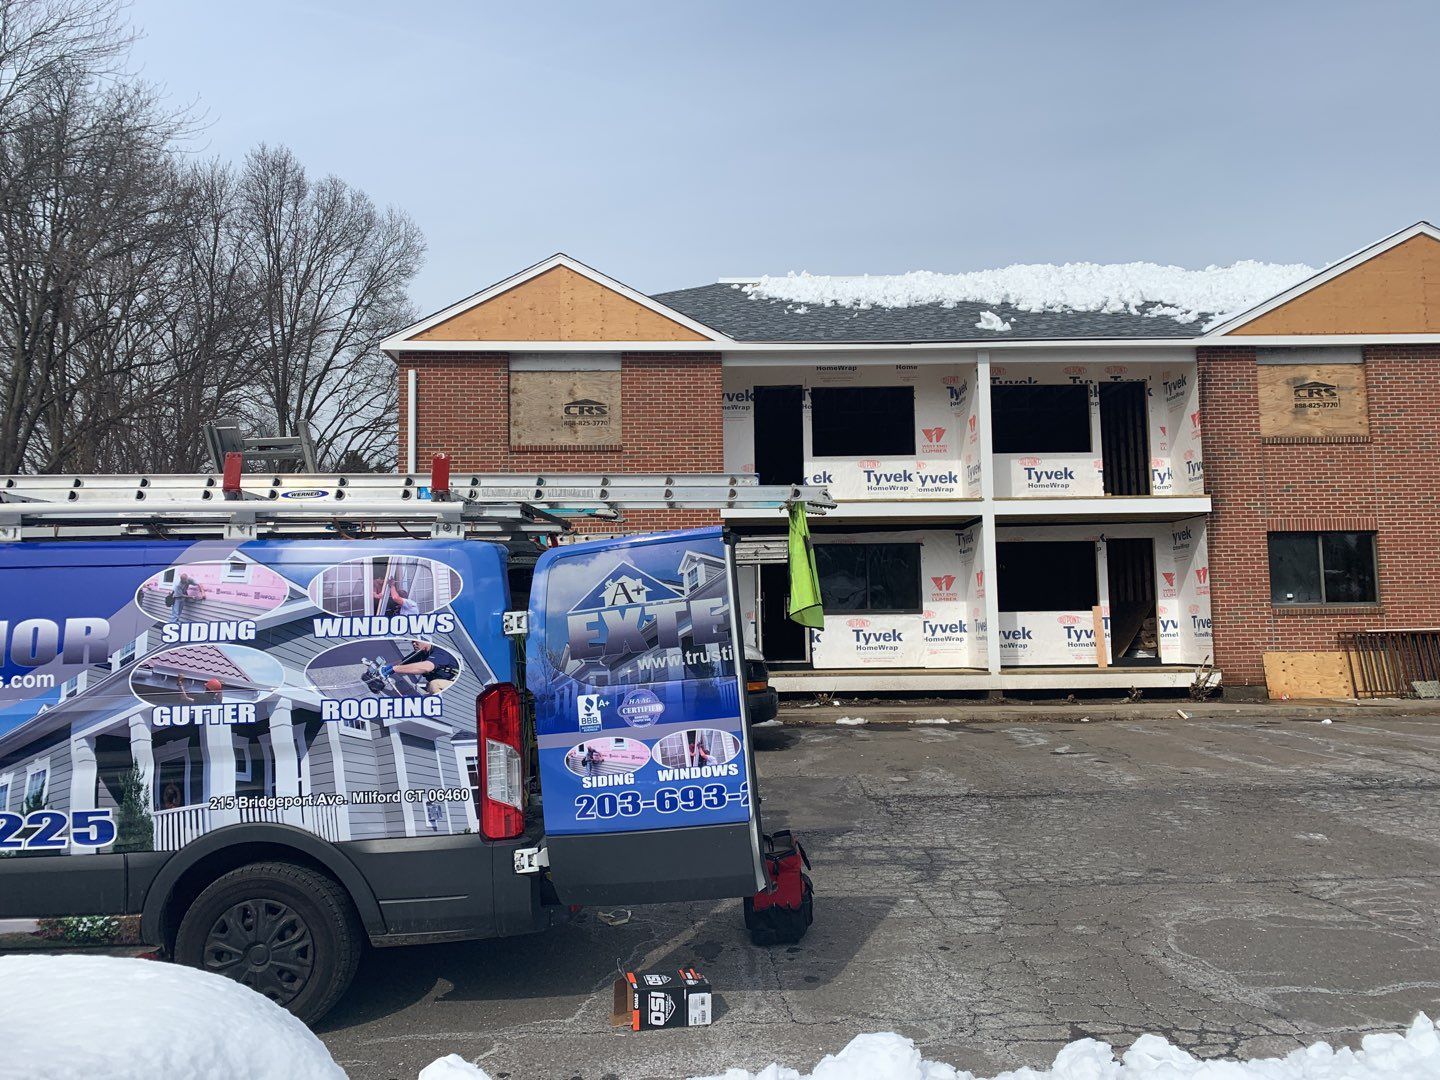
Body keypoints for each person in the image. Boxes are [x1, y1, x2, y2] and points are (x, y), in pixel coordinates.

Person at [378, 640, 458, 695]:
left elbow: (427, 667)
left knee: (435, 684)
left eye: (416, 641)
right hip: (433, 686)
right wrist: (384, 666)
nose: (413, 644)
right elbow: (402, 663)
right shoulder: (420, 653)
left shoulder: (440, 653)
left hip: (452, 684)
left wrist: (394, 669)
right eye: (412, 642)